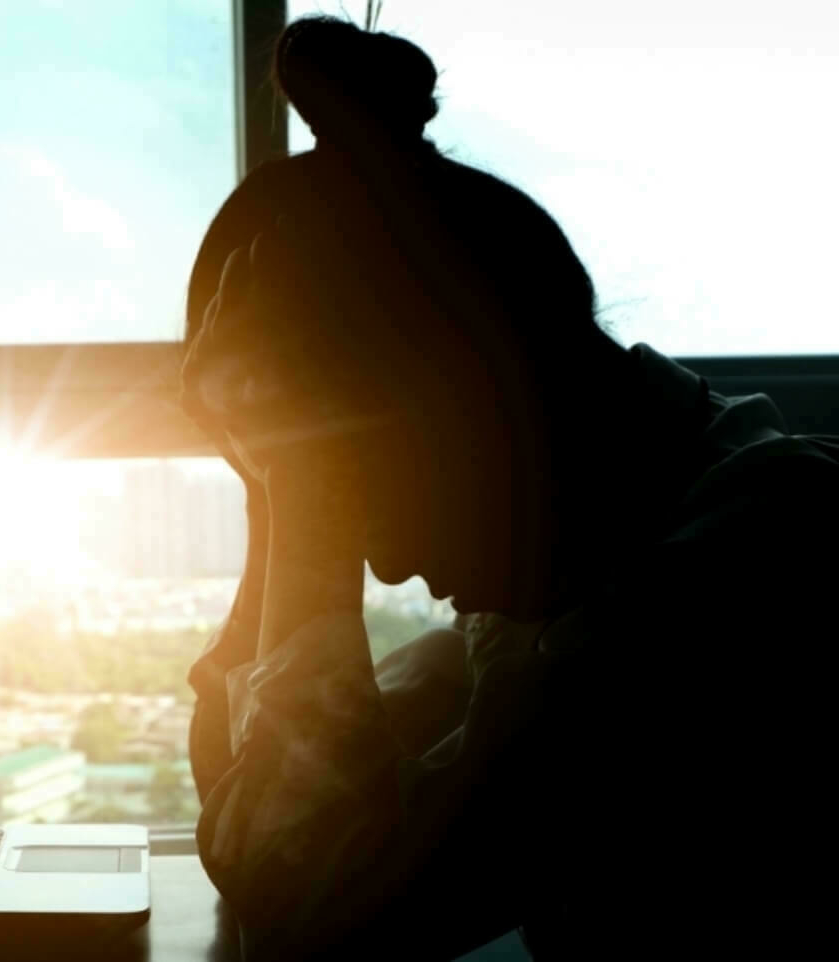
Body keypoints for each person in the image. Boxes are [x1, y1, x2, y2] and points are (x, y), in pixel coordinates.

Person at [180, 16, 838, 962]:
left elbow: (308, 905)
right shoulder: (561, 601)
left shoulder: (736, 583)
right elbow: (257, 825)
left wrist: (299, 495)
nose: (391, 563)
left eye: (364, 493)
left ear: (473, 405)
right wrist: (278, 486)